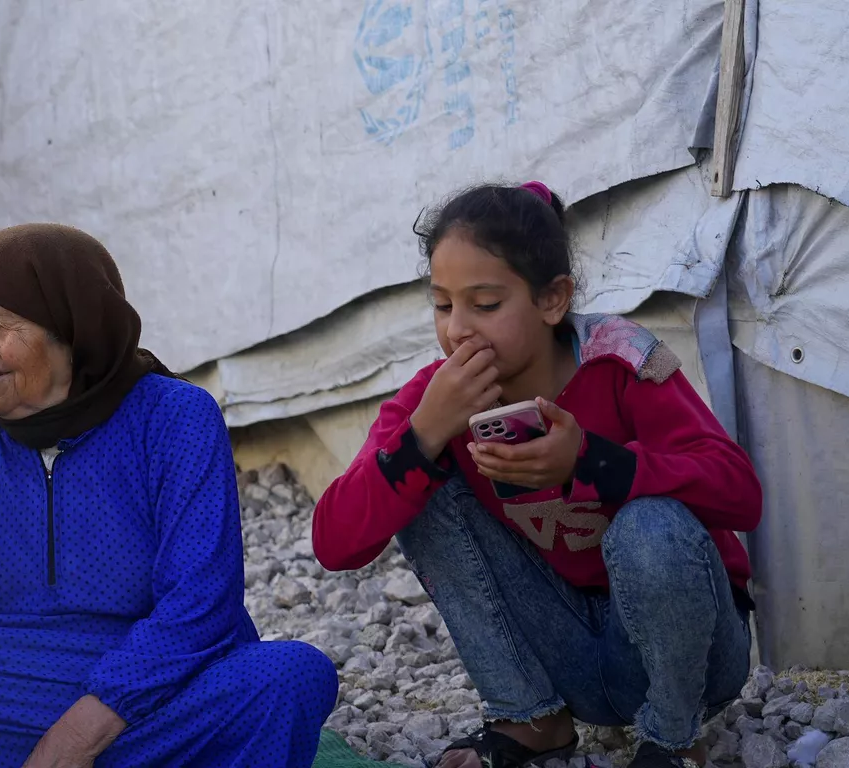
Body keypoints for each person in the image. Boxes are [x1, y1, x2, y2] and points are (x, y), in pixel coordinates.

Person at [0, 224, 338, 767]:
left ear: (73, 332)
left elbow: (200, 608)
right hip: (6, 673)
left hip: (150, 678)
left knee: (289, 676)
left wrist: (75, 737)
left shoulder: (175, 417)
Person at [312, 183, 760, 768]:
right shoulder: (435, 399)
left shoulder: (619, 362)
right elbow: (334, 543)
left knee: (652, 524)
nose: (459, 330)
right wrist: (421, 439)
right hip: (567, 649)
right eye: (443, 305)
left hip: (693, 658)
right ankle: (531, 718)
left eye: (486, 304)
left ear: (553, 300)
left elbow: (741, 496)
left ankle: (674, 740)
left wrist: (592, 460)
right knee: (410, 481)